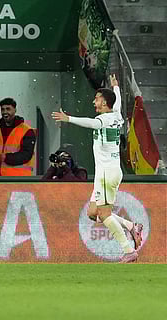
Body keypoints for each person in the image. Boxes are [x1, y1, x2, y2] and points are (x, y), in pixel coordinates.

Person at [52, 74, 141, 262]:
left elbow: (92, 123)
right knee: (93, 213)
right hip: (104, 173)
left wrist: (69, 118)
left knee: (105, 214)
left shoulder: (106, 119)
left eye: (97, 99)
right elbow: (117, 104)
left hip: (108, 173)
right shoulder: (115, 114)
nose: (94, 101)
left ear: (105, 103)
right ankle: (131, 226)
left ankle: (128, 250)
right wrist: (115, 87)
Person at [0, 97, 36, 176]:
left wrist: (7, 157)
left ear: (15, 110)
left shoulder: (27, 131)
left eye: (8, 109)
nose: (5, 112)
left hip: (17, 178)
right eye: (2, 109)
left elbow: (26, 155)